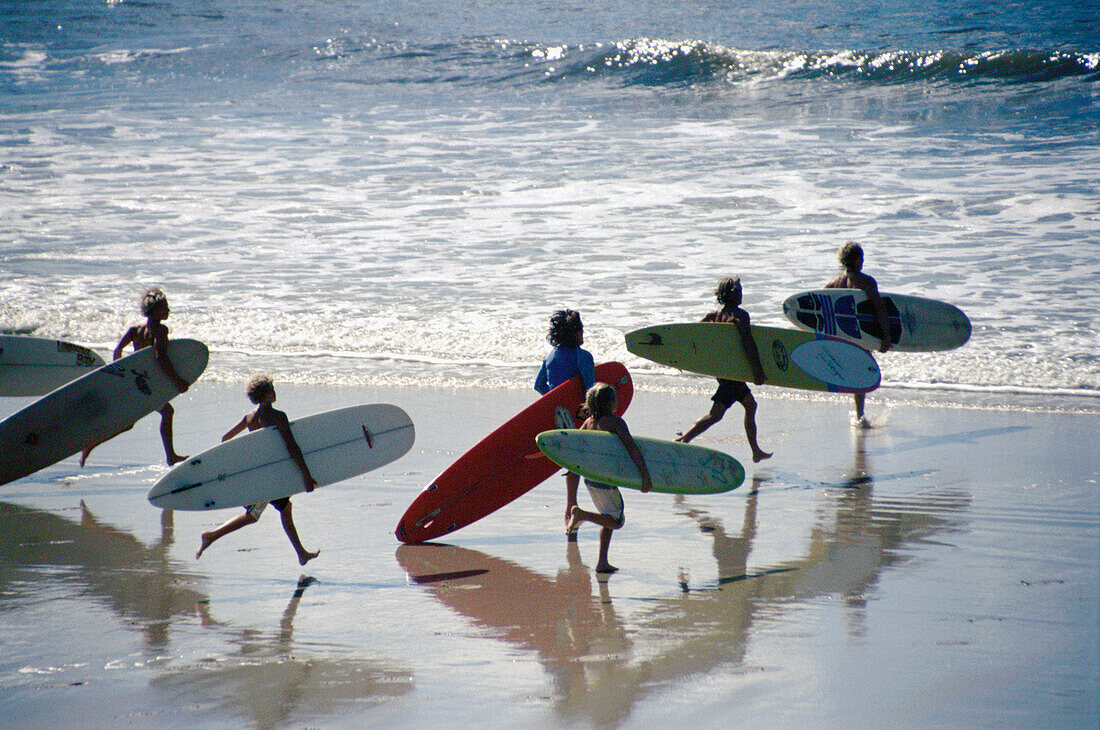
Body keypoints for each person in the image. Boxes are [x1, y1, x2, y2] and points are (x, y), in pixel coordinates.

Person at [195, 375, 320, 566]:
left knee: (285, 508)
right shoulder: (278, 416)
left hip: (259, 471)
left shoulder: (249, 418)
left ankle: (301, 553)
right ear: (269, 394)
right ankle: (211, 536)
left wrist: (243, 460)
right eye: (273, 390)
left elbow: (225, 438)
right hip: (266, 478)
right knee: (252, 515)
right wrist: (306, 475)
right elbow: (292, 446)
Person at [80, 287, 191, 467]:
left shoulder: (135, 330)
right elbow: (160, 357)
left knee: (130, 423)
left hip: (135, 380)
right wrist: (177, 381)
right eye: (165, 307)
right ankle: (170, 456)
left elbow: (118, 351)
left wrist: (120, 374)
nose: (169, 310)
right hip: (148, 384)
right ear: (154, 310)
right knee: (167, 412)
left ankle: (90, 445)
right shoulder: (160, 331)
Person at [676, 277, 772, 463]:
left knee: (750, 405)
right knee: (715, 414)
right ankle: (683, 440)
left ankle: (755, 451)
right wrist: (757, 371)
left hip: (724, 372)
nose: (742, 293)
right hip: (734, 375)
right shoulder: (740, 316)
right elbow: (748, 343)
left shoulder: (713, 317)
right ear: (733, 294)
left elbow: (691, 335)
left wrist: (682, 358)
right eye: (740, 290)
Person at [566, 383, 652, 574]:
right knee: (617, 521)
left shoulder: (588, 423)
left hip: (591, 479)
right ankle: (581, 514)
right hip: (605, 481)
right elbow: (632, 448)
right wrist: (645, 475)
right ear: (611, 403)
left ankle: (602, 562)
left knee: (607, 518)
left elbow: (574, 446)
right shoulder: (616, 423)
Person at [534, 309, 596, 538]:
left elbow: (539, 386)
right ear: (575, 332)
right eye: (582, 329)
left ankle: (571, 509)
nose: (584, 333)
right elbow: (591, 394)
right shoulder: (583, 356)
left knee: (572, 465)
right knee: (578, 465)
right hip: (579, 420)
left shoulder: (550, 356)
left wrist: (558, 405)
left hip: (559, 419)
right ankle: (573, 510)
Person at [825, 241, 892, 428]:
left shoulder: (834, 284)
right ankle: (860, 416)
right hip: (861, 335)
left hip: (842, 338)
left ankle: (859, 415)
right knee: (862, 373)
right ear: (856, 260)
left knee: (857, 374)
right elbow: (880, 309)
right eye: (861, 258)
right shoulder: (866, 282)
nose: (863, 261)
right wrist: (885, 337)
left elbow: (821, 307)